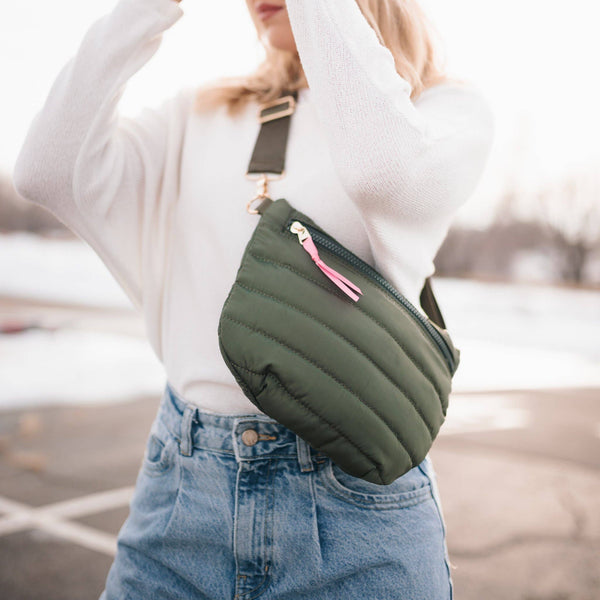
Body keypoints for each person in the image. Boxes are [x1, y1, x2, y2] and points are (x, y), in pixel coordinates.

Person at [13, 0, 494, 598]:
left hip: (354, 513)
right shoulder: (204, 112)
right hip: (182, 499)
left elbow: (384, 172)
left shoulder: (441, 110)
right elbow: (46, 169)